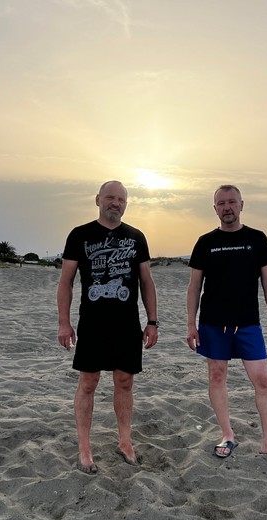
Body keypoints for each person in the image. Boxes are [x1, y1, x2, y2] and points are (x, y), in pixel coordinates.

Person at [186, 184, 267, 470]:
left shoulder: (257, 239)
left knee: (263, 380)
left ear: (241, 205)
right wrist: (191, 324)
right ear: (215, 208)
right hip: (213, 323)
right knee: (217, 377)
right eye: (221, 203)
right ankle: (227, 434)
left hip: (248, 323)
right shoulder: (205, 242)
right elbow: (194, 287)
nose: (227, 207)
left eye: (232, 202)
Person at [57, 180, 159, 474]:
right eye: (110, 198)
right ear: (98, 199)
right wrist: (64, 322)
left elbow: (146, 282)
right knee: (88, 382)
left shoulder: (136, 237)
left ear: (126, 204)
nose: (116, 203)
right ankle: (84, 449)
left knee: (125, 382)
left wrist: (152, 321)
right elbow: (66, 282)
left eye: (121, 199)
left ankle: (124, 442)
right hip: (92, 323)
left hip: (127, 323)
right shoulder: (80, 235)